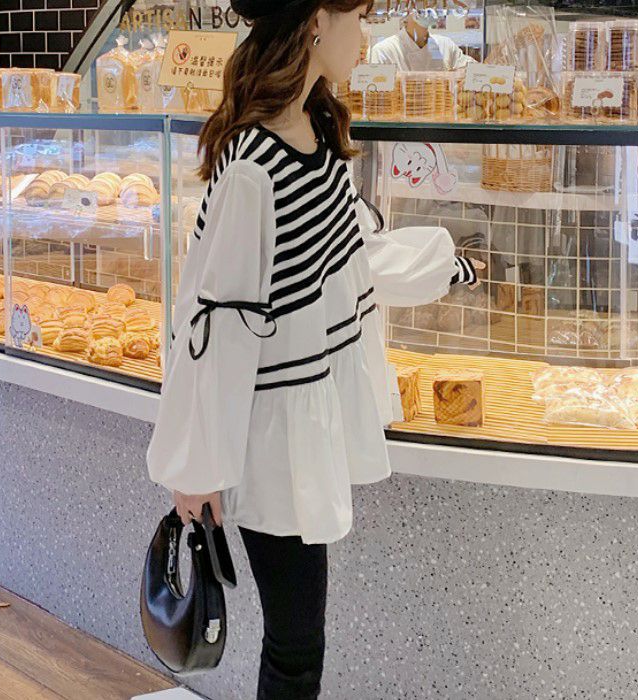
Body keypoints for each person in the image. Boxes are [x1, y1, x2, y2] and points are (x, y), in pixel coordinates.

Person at [146, 1, 483, 697]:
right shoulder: (254, 165)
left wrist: (446, 266)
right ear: (316, 22)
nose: (367, 36)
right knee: (295, 643)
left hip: (303, 422)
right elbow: (214, 324)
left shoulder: (316, 132)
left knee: (299, 637)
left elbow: (347, 262)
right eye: (358, 17)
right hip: (271, 434)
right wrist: (195, 467)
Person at [370, 11, 474, 71]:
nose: (427, 7)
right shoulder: (383, 51)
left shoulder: (445, 45)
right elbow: (376, 97)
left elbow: (475, 72)